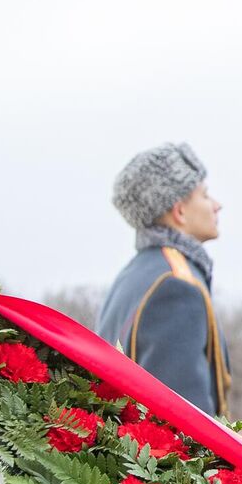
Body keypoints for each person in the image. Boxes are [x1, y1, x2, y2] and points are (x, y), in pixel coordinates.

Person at [98, 142, 232, 416]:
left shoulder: (133, 274)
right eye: (205, 195)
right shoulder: (177, 284)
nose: (217, 205)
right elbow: (186, 428)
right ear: (179, 210)